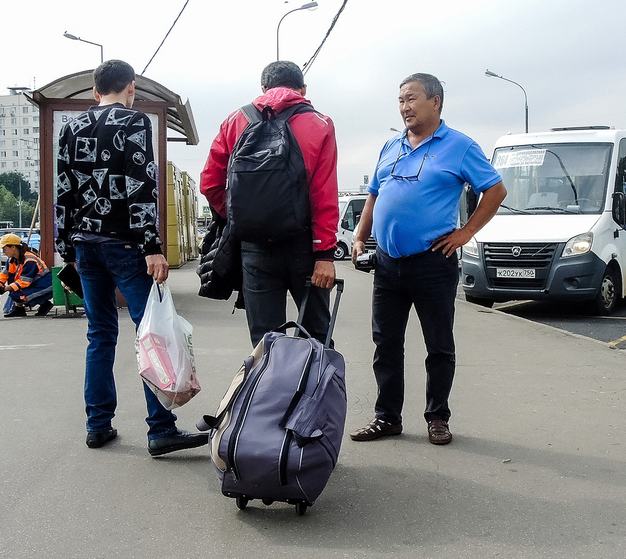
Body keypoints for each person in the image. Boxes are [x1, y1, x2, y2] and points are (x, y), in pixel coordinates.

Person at [55, 59, 207, 456]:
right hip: (124, 245)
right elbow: (141, 186)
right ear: (132, 88)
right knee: (149, 332)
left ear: (94, 91)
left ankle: (98, 425)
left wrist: (67, 250)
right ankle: (160, 429)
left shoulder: (70, 128)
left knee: (100, 335)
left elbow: (63, 192)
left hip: (85, 246)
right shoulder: (134, 123)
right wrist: (153, 246)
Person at [350, 73, 507, 445]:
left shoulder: (460, 146)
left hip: (432, 263)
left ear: (435, 101)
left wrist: (465, 233)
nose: (405, 107)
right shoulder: (391, 145)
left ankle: (438, 417)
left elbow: (496, 190)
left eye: (412, 99)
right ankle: (387, 417)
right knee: (385, 343)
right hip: (388, 264)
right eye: (401, 100)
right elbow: (373, 194)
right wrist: (359, 235)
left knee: (438, 344)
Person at [200, 61, 339, 346]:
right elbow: (323, 192)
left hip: (255, 248)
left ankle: (270, 390)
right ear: (302, 89)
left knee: (265, 342)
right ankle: (311, 391)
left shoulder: (235, 120)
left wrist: (240, 217)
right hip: (305, 247)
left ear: (264, 89)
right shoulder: (320, 124)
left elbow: (210, 183)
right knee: (315, 338)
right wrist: (325, 254)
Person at [0, 233, 53, 318]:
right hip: (35, 284)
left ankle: (45, 304)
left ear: (13, 247)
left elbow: (25, 282)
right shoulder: (11, 260)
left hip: (45, 286)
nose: (3, 251)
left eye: (4, 248)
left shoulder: (30, 260)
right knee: (12, 281)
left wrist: (4, 289)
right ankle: (19, 309)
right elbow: (4, 275)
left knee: (17, 295)